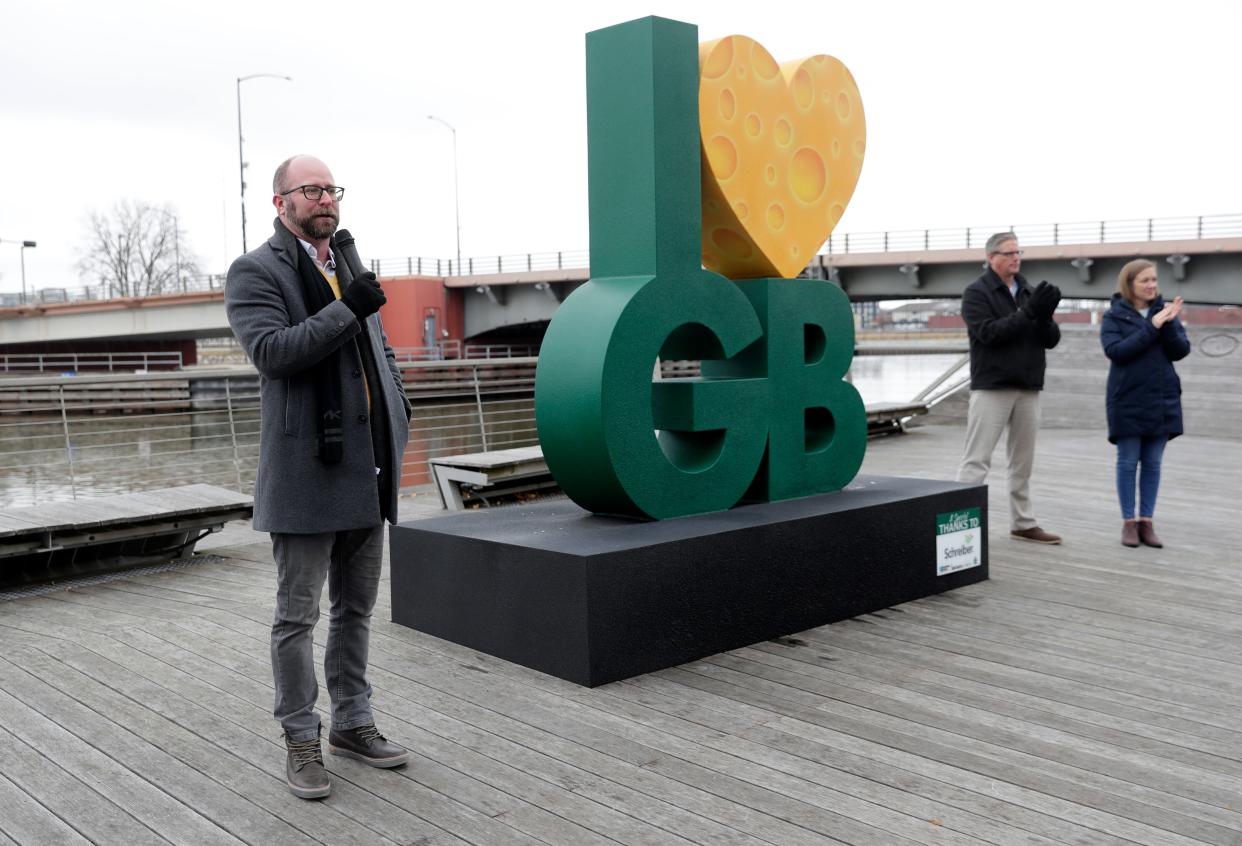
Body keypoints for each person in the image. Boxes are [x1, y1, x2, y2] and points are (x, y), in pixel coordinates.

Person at [225, 154, 413, 800]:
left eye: (331, 188)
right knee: (296, 618)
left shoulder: (350, 265)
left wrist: (400, 407)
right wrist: (346, 308)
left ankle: (353, 723)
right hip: (307, 472)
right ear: (281, 203)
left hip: (368, 469)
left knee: (356, 610)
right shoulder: (256, 271)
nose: (324, 199)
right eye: (310, 190)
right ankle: (301, 736)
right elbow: (273, 354)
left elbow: (378, 350)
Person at [957, 232, 1063, 544]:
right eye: (1009, 252)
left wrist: (1043, 317)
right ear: (992, 257)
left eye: (1018, 252)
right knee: (976, 459)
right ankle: (962, 524)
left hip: (1028, 387)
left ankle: (1023, 522)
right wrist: (1029, 313)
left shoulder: (1029, 291)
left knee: (1022, 462)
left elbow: (1051, 340)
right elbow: (989, 333)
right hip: (992, 387)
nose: (1016, 257)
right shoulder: (976, 293)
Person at [1100, 259, 1189, 548]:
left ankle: (1146, 522)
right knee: (1127, 462)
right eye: (1145, 281)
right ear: (1130, 285)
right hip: (1127, 399)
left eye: (1154, 280)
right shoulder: (1113, 316)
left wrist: (1169, 324)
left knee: (1153, 464)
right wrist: (1152, 325)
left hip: (1162, 399)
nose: (1151, 285)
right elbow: (1117, 352)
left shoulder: (1165, 312)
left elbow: (1180, 351)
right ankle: (1128, 522)